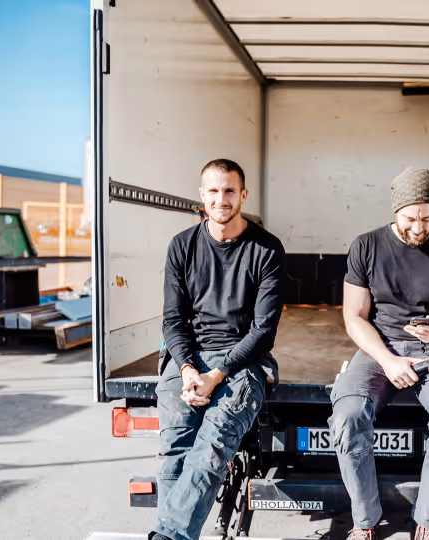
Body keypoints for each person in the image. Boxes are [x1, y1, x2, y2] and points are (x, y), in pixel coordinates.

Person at [329, 168, 429, 540]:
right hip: (381, 348)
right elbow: (354, 317)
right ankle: (364, 523)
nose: (418, 227)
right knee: (347, 414)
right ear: (396, 210)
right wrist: (388, 360)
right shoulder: (366, 246)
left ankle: (428, 524)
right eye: (410, 218)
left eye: (426, 218)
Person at [150, 159, 285, 540]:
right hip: (190, 361)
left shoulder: (266, 250)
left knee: (212, 448)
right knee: (174, 449)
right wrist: (189, 370)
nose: (221, 199)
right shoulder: (182, 246)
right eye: (213, 190)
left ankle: (169, 536)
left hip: (243, 363)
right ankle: (171, 533)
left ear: (243, 195)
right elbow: (173, 321)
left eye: (229, 191)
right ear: (201, 196)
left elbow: (263, 331)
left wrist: (216, 374)